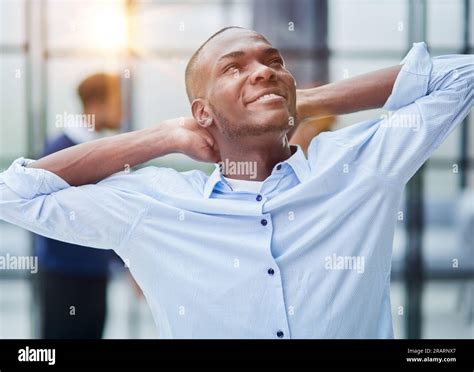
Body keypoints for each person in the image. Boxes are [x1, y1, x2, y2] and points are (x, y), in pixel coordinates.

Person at [1, 27, 472, 338]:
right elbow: (13, 193)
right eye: (234, 67)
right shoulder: (157, 203)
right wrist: (161, 136)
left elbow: (461, 77)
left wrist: (302, 100)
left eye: (273, 62)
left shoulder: (358, 167)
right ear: (202, 113)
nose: (263, 71)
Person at [35, 73, 123, 339]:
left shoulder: (102, 150)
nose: (123, 109)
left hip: (94, 275)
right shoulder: (60, 151)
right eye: (118, 101)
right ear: (96, 105)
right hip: (65, 277)